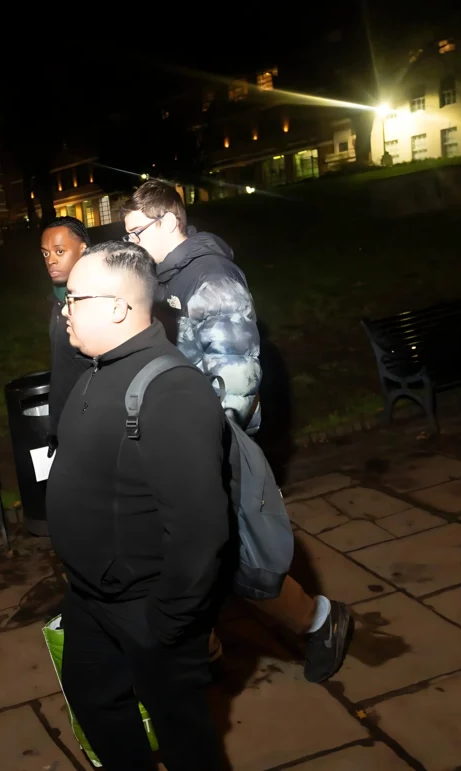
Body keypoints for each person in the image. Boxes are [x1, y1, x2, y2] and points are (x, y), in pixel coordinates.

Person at [121, 180, 351, 684]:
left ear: (168, 221)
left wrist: (203, 448)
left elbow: (239, 380)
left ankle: (318, 621)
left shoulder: (211, 278)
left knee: (237, 562)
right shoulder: (165, 278)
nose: (133, 244)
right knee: (202, 560)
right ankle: (206, 658)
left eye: (138, 231)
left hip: (209, 442)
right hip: (181, 439)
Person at [47, 240, 228, 771]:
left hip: (147, 608)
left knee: (185, 738)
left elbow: (199, 530)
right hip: (90, 599)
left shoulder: (171, 391)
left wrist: (166, 623)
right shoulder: (97, 371)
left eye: (74, 298)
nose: (63, 308)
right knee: (94, 699)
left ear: (119, 308)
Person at [40, 216, 92, 451]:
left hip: (92, 429)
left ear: (83, 249)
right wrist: (56, 426)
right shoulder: (58, 302)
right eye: (45, 254)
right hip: (68, 428)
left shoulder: (95, 303)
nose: (51, 260)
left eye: (59, 251)